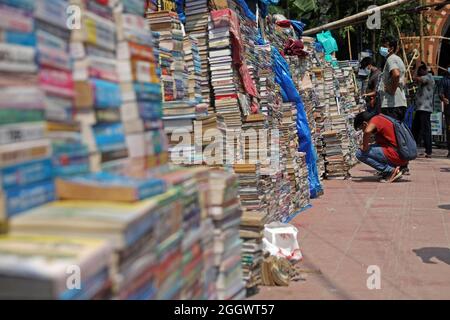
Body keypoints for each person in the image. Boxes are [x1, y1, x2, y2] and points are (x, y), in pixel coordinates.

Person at [354, 111, 407, 183]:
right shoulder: (380, 118)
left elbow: (367, 132)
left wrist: (364, 146)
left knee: (359, 153)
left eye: (361, 128)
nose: (362, 131)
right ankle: (394, 168)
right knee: (371, 148)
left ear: (364, 124)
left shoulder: (375, 120)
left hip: (395, 154)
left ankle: (391, 171)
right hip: (400, 154)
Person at [379, 36, 408, 121]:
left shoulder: (391, 59)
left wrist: (391, 89)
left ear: (391, 48)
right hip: (398, 103)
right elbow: (404, 79)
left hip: (391, 105)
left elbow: (396, 74)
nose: (382, 49)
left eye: (384, 47)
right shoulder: (398, 59)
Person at [412, 63, 435, 158]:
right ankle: (413, 148)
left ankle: (428, 150)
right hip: (420, 108)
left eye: (420, 72)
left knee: (425, 129)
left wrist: (416, 68)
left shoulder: (429, 77)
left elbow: (416, 78)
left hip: (425, 108)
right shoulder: (425, 78)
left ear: (424, 70)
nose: (419, 74)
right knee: (415, 129)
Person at [439, 63, 450, 158]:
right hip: (448, 109)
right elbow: (441, 93)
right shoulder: (444, 80)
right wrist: (444, 99)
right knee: (449, 129)